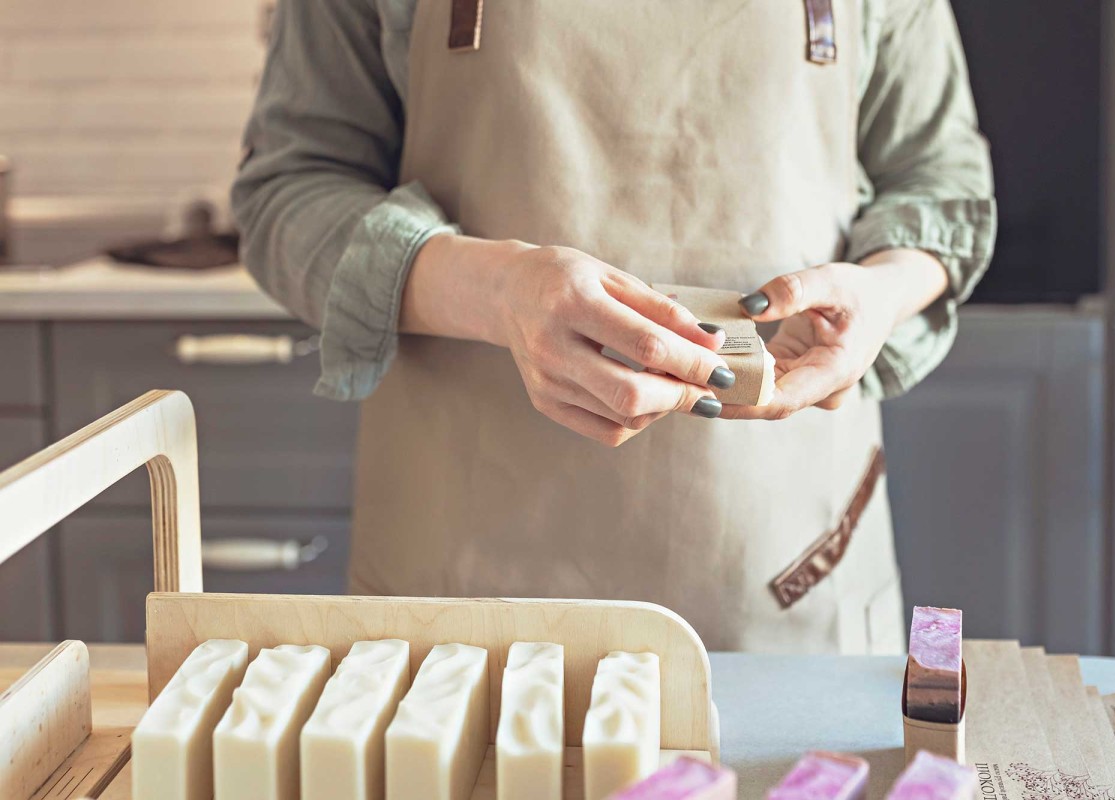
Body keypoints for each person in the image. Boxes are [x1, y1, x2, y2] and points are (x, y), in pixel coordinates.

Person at [232, 0, 995, 654]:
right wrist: (499, 291)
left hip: (792, 573)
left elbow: (941, 180)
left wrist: (883, 290)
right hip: (457, 597)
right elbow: (287, 195)